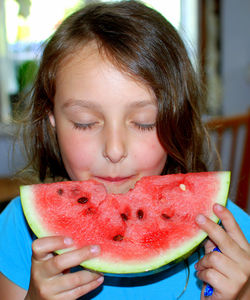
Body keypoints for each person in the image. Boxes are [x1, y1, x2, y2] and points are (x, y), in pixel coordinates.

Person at [0, 1, 249, 299]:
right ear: (52, 119)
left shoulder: (234, 240)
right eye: (85, 122)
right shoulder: (19, 231)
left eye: (145, 123)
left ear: (176, 119)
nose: (115, 150)